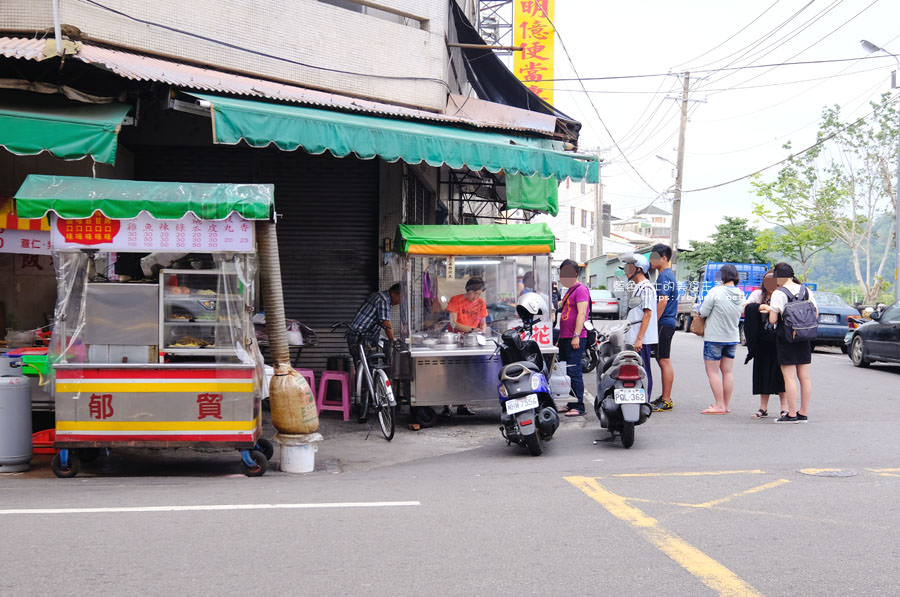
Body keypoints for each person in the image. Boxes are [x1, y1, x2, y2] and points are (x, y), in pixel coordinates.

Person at [759, 262, 818, 423]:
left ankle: (791, 414)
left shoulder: (779, 293)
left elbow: (772, 320)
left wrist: (770, 310)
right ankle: (803, 413)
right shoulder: (806, 290)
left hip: (786, 338)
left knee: (789, 377)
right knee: (805, 377)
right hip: (804, 337)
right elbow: (815, 313)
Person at [698, 264, 745, 414]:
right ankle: (725, 405)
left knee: (712, 372)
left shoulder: (716, 291)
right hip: (732, 337)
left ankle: (719, 405)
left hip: (715, 337)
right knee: (728, 372)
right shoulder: (740, 294)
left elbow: (703, 311)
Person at [743, 270, 786, 418]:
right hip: (762, 339)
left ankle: (784, 408)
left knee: (782, 375)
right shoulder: (757, 295)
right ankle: (763, 408)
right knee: (762, 373)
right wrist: (762, 307)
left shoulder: (782, 295)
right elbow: (746, 308)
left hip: (780, 339)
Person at [556, 259, 591, 417]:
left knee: (574, 371)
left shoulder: (581, 289)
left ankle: (579, 405)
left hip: (575, 337)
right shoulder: (568, 290)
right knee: (566, 372)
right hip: (565, 337)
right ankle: (570, 403)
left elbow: (582, 313)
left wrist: (576, 335)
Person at [621, 253, 658, 398]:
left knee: (643, 371)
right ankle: (636, 399)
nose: (626, 271)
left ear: (639, 269)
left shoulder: (646, 288)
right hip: (634, 337)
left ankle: (645, 401)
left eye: (629, 267)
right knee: (634, 370)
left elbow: (647, 314)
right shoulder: (637, 287)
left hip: (641, 340)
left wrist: (639, 339)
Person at [649, 243, 677, 412]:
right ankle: (665, 397)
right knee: (662, 359)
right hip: (667, 323)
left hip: (664, 323)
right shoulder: (666, 275)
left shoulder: (664, 276)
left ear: (664, 258)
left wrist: (652, 322)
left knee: (663, 360)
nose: (651, 260)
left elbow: (662, 300)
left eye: (654, 257)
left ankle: (666, 399)